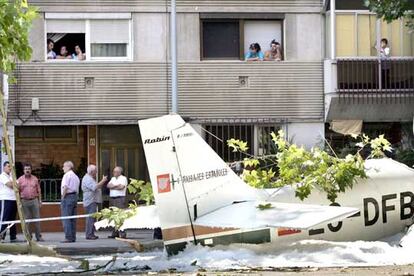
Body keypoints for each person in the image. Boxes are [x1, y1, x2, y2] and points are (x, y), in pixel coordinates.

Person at [17, 163, 44, 242]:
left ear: (31, 170)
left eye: (29, 169)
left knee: (37, 219)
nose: (27, 170)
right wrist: (19, 202)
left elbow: (39, 190)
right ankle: (28, 237)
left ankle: (38, 236)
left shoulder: (35, 179)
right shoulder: (20, 180)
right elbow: (17, 191)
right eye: (26, 169)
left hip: (34, 200)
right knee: (26, 220)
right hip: (24, 201)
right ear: (23, 170)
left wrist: (40, 200)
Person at [81, 165, 107, 240]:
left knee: (92, 218)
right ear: (92, 172)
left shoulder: (90, 178)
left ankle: (91, 233)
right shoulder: (87, 179)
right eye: (96, 171)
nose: (96, 172)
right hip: (90, 201)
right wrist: (103, 181)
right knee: (90, 219)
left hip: (92, 200)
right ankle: (89, 234)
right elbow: (94, 187)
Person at [60, 161, 80, 243]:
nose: (63, 168)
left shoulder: (67, 175)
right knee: (73, 218)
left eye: (64, 166)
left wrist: (63, 197)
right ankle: (73, 237)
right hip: (74, 197)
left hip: (68, 197)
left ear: (68, 167)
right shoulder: (75, 176)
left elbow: (65, 187)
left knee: (66, 218)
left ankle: (68, 237)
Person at [0, 162, 19, 243]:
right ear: (4, 167)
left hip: (14, 199)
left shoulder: (12, 176)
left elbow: (18, 186)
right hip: (6, 199)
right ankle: (1, 237)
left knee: (12, 219)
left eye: (11, 167)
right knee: (5, 218)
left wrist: (14, 184)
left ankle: (13, 236)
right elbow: (10, 185)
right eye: (8, 166)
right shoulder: (2, 176)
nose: (10, 168)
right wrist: (14, 184)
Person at [107, 166, 128, 239]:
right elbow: (108, 185)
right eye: (113, 171)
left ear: (119, 172)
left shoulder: (123, 178)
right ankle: (115, 233)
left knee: (120, 216)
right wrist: (116, 186)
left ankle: (122, 233)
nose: (114, 173)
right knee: (113, 216)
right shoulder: (113, 178)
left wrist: (113, 186)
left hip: (119, 199)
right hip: (112, 199)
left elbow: (121, 187)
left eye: (115, 171)